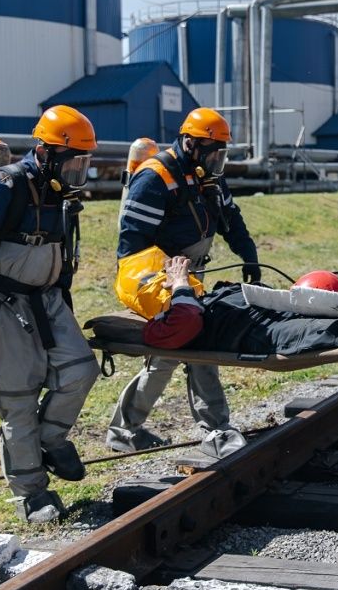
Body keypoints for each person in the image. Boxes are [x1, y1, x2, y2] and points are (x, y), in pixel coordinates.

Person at [0, 105, 100, 523]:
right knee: (18, 402)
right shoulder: (4, 186)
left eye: (84, 165)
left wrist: (63, 302)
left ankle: (50, 439)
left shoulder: (59, 194)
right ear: (46, 154)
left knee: (81, 369)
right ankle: (31, 494)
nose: (77, 175)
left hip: (45, 300)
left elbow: (61, 255)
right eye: (73, 164)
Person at [106, 108, 259, 459]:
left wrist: (248, 253)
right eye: (213, 153)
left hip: (191, 273)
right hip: (162, 275)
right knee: (198, 342)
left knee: (166, 356)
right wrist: (169, 283)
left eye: (223, 154)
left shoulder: (207, 175)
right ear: (190, 143)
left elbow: (229, 217)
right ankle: (216, 428)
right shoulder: (156, 177)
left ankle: (124, 429)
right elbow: (133, 243)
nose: (218, 161)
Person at [122, 256, 338, 353]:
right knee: (336, 331)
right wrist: (181, 284)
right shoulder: (164, 324)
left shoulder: (193, 301)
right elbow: (187, 322)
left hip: (265, 310)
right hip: (254, 334)